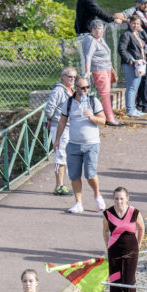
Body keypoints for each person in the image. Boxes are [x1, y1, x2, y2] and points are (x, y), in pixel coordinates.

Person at [53, 76, 107, 214]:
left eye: (87, 87)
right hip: (73, 145)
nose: (85, 90)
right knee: (74, 176)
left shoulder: (93, 101)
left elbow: (103, 120)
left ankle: (97, 195)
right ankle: (78, 203)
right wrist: (57, 140)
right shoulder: (69, 103)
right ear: (75, 88)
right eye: (82, 88)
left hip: (91, 144)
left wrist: (92, 117)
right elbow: (62, 121)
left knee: (90, 174)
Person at [103, 187, 146, 292]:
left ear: (127, 198)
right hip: (114, 253)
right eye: (116, 198)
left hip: (131, 252)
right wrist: (107, 247)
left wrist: (138, 245)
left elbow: (141, 228)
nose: (119, 201)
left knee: (128, 282)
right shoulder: (108, 213)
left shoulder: (134, 212)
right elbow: (105, 231)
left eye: (122, 198)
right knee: (115, 285)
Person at [44, 67, 78, 196]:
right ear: (62, 77)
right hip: (59, 126)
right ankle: (59, 186)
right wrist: (49, 119)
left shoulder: (72, 90)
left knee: (67, 154)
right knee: (60, 154)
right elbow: (49, 108)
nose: (72, 79)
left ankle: (64, 183)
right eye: (69, 76)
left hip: (70, 126)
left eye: (74, 77)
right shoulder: (58, 90)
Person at [81, 20, 121, 127]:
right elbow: (88, 57)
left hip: (106, 68)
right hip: (99, 69)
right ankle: (109, 118)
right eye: (98, 30)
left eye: (102, 30)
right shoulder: (90, 40)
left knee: (107, 92)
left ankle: (109, 114)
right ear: (92, 30)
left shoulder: (100, 39)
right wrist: (87, 71)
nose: (100, 32)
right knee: (105, 93)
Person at [124, 0, 147, 113]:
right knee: (144, 80)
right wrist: (122, 19)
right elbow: (122, 49)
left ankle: (142, 104)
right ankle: (143, 104)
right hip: (141, 55)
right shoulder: (133, 12)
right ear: (138, 3)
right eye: (144, 3)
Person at [118, 15, 147, 118]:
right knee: (131, 87)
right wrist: (130, 61)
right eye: (134, 23)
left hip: (139, 65)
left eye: (138, 24)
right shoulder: (127, 34)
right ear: (129, 23)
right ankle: (130, 110)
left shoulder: (137, 34)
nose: (136, 25)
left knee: (135, 87)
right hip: (130, 65)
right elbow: (121, 49)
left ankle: (133, 108)